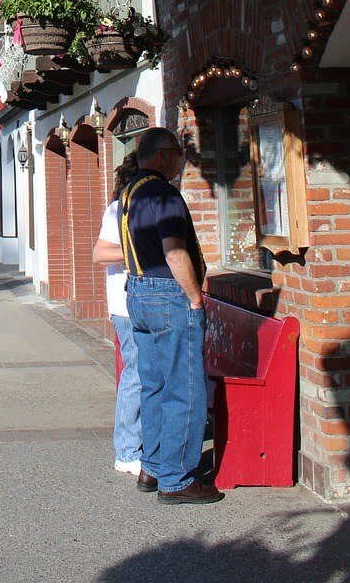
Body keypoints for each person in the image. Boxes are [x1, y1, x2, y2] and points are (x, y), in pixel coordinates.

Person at [120, 127, 222, 505]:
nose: (181, 160)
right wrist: (195, 297)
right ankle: (177, 479)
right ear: (163, 154)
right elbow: (175, 251)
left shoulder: (130, 191)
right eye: (178, 152)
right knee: (185, 386)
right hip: (167, 294)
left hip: (138, 290)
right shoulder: (163, 192)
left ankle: (153, 466)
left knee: (154, 384)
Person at [92, 151, 142, 476]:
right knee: (135, 375)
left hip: (143, 302)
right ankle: (126, 451)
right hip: (126, 305)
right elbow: (99, 253)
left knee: (142, 375)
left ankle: (139, 445)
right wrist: (138, 251)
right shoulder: (118, 210)